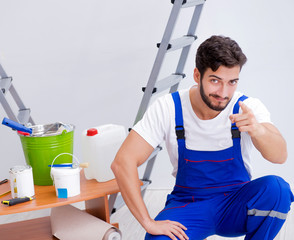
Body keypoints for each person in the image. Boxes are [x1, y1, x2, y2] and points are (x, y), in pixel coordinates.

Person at [111, 35, 294, 240]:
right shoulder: (169, 107)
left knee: (277, 190)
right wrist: (148, 222)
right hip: (188, 206)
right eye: (215, 81)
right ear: (197, 75)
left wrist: (258, 130)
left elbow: (280, 156)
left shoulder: (246, 107)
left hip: (236, 204)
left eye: (232, 82)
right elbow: (122, 162)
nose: (224, 93)